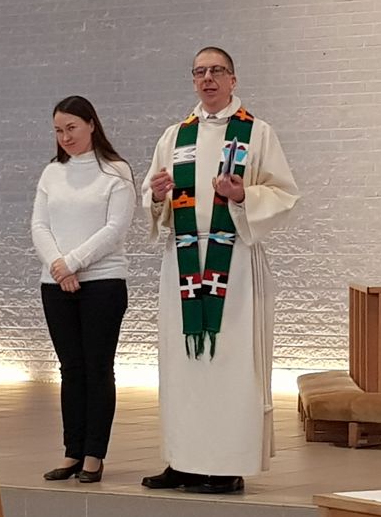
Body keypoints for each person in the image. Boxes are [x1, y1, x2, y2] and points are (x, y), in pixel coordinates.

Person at [140, 47, 300, 494]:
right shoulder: (175, 136)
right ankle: (184, 461)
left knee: (230, 363)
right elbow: (154, 196)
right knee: (182, 363)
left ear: (233, 79)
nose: (207, 79)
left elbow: (284, 194)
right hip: (183, 261)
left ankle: (227, 464)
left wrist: (242, 195)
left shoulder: (257, 132)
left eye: (216, 71)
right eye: (199, 72)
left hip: (235, 259)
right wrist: (157, 195)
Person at [31, 95, 136, 484]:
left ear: (91, 124)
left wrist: (72, 263)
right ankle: (72, 450)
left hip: (102, 282)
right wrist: (59, 267)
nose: (65, 137)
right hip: (56, 283)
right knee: (70, 369)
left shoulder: (116, 171)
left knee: (97, 368)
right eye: (58, 130)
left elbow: (115, 228)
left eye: (71, 128)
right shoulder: (52, 173)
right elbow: (39, 226)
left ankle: (94, 454)